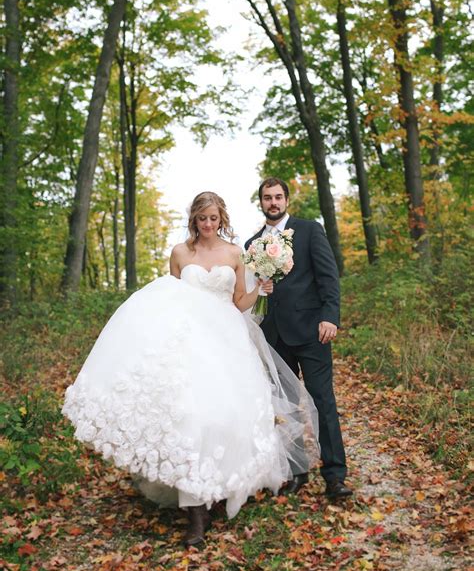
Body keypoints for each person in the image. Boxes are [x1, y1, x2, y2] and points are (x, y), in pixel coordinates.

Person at [62, 191, 319, 547]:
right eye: (202, 219)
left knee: (225, 414)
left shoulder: (235, 253)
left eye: (214, 219)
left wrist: (260, 287)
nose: (208, 225)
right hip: (190, 344)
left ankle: (219, 485)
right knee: (189, 415)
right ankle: (195, 514)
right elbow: (172, 301)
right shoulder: (180, 253)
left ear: (221, 218)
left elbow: (239, 303)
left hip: (227, 341)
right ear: (194, 219)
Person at [245, 178, 352, 499]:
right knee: (286, 407)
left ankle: (335, 476)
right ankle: (296, 471)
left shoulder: (308, 230)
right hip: (274, 335)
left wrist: (329, 316)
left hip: (312, 331)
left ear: (286, 199)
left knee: (323, 402)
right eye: (267, 198)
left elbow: (328, 276)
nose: (273, 202)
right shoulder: (252, 244)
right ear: (260, 202)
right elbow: (253, 289)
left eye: (278, 197)